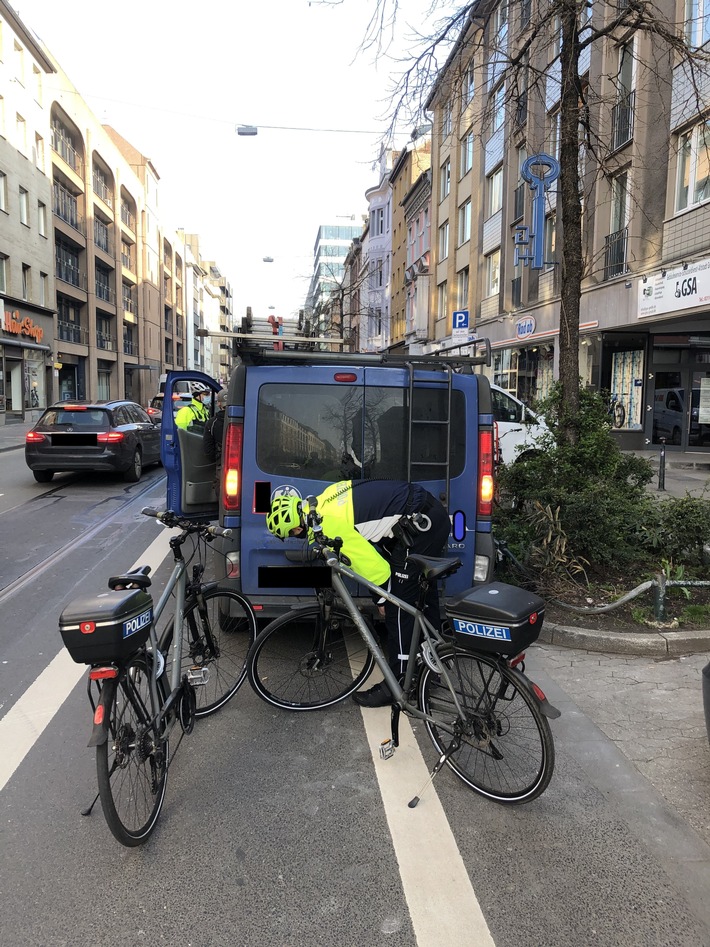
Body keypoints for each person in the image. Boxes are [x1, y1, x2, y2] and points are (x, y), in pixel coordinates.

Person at [265, 480, 451, 707]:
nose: (297, 537)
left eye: (293, 535)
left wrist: (382, 599)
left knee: (398, 607)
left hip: (422, 524)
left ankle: (401, 684)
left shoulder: (330, 523)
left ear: (296, 529)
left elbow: (376, 570)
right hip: (425, 514)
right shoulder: (322, 501)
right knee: (420, 593)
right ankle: (433, 667)